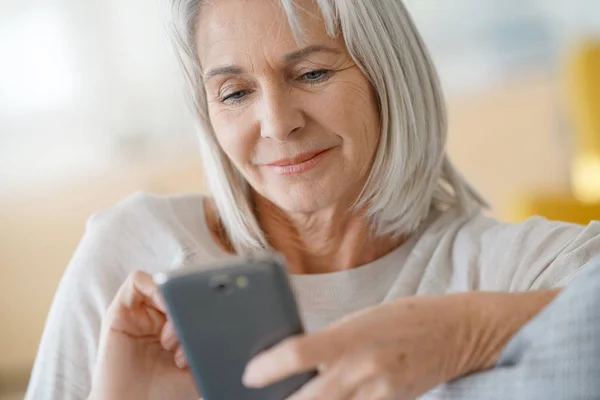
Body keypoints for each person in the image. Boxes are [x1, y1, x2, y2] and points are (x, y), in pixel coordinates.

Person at [26, 0, 600, 399]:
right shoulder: (136, 257)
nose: (277, 124)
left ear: (388, 76)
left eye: (313, 73)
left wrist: (463, 333)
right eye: (235, 92)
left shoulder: (520, 269)